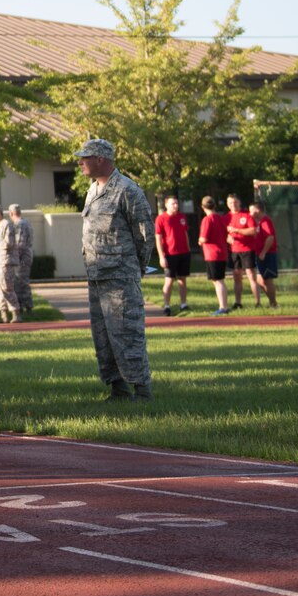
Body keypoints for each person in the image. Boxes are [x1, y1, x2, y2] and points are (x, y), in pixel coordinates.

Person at [75, 139, 155, 401]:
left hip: (120, 275)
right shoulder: (92, 190)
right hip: (97, 275)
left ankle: (142, 390)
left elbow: (144, 234)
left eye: (85, 157)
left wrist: (135, 268)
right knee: (103, 336)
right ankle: (117, 388)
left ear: (101, 159)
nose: (80, 162)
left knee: (127, 332)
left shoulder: (127, 190)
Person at [0, 205, 36, 323]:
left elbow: (20, 244)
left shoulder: (19, 224)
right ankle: (25, 306)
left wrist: (13, 256)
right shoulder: (26, 222)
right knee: (21, 281)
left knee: (20, 281)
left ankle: (26, 307)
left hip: (22, 256)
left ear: (12, 213)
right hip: (26, 254)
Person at [154, 197, 192, 315]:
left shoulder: (182, 217)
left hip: (184, 253)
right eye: (173, 203)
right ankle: (166, 305)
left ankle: (183, 304)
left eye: (176, 203)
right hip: (170, 254)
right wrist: (161, 256)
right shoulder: (161, 219)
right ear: (166, 205)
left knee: (182, 279)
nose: (175, 205)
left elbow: (185, 233)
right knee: (169, 280)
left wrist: (188, 249)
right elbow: (158, 239)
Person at [198, 195, 233, 315]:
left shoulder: (207, 220)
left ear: (203, 207)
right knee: (219, 280)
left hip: (212, 253)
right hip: (222, 252)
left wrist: (200, 241)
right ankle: (223, 305)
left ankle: (223, 307)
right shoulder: (221, 218)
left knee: (218, 281)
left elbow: (204, 238)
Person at [225, 195, 257, 311]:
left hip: (247, 250)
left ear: (239, 202)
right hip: (234, 251)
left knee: (251, 276)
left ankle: (257, 302)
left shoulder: (246, 215)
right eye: (230, 203)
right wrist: (227, 237)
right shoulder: (226, 217)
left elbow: (253, 231)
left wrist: (237, 230)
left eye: (235, 202)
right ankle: (238, 302)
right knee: (237, 277)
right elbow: (223, 233)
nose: (232, 205)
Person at [250, 197, 280, 308]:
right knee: (260, 280)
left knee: (267, 279)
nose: (250, 213)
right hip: (260, 255)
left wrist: (263, 252)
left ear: (258, 211)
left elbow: (270, 237)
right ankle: (272, 302)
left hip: (267, 255)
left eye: (252, 211)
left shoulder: (265, 221)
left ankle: (274, 304)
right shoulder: (259, 222)